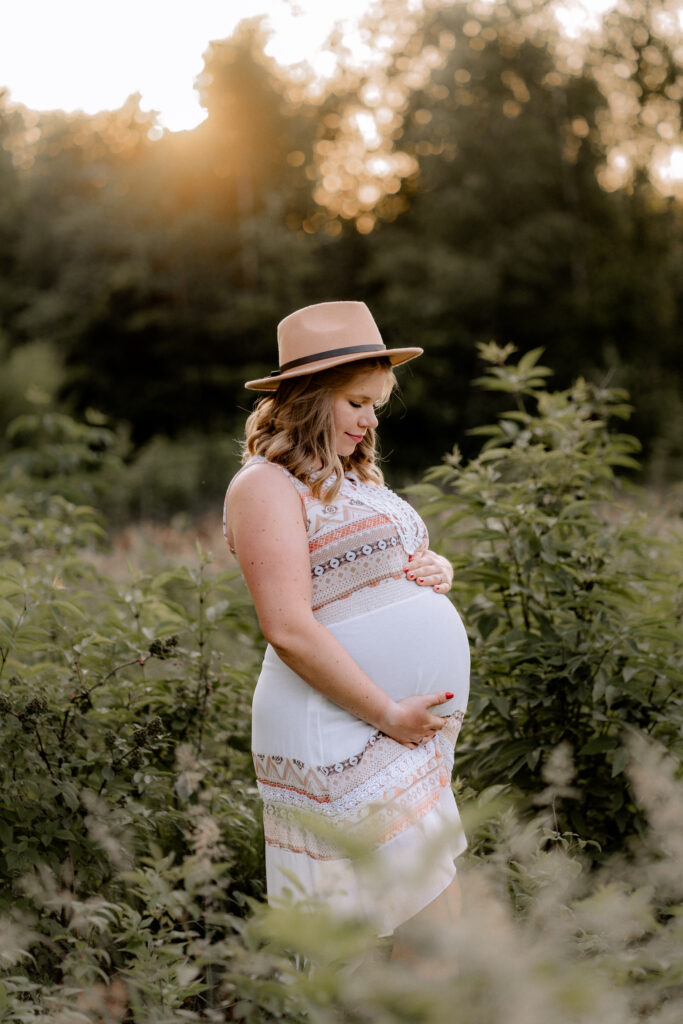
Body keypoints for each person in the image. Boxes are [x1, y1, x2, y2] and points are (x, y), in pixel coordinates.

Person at [223, 301, 470, 961]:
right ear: (308, 399)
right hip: (336, 723)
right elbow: (287, 627)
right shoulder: (264, 486)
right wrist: (386, 711)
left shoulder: (352, 478)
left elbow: (381, 567)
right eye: (357, 403)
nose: (370, 420)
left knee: (429, 914)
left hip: (393, 730)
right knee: (378, 927)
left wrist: (433, 568)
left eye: (376, 406)